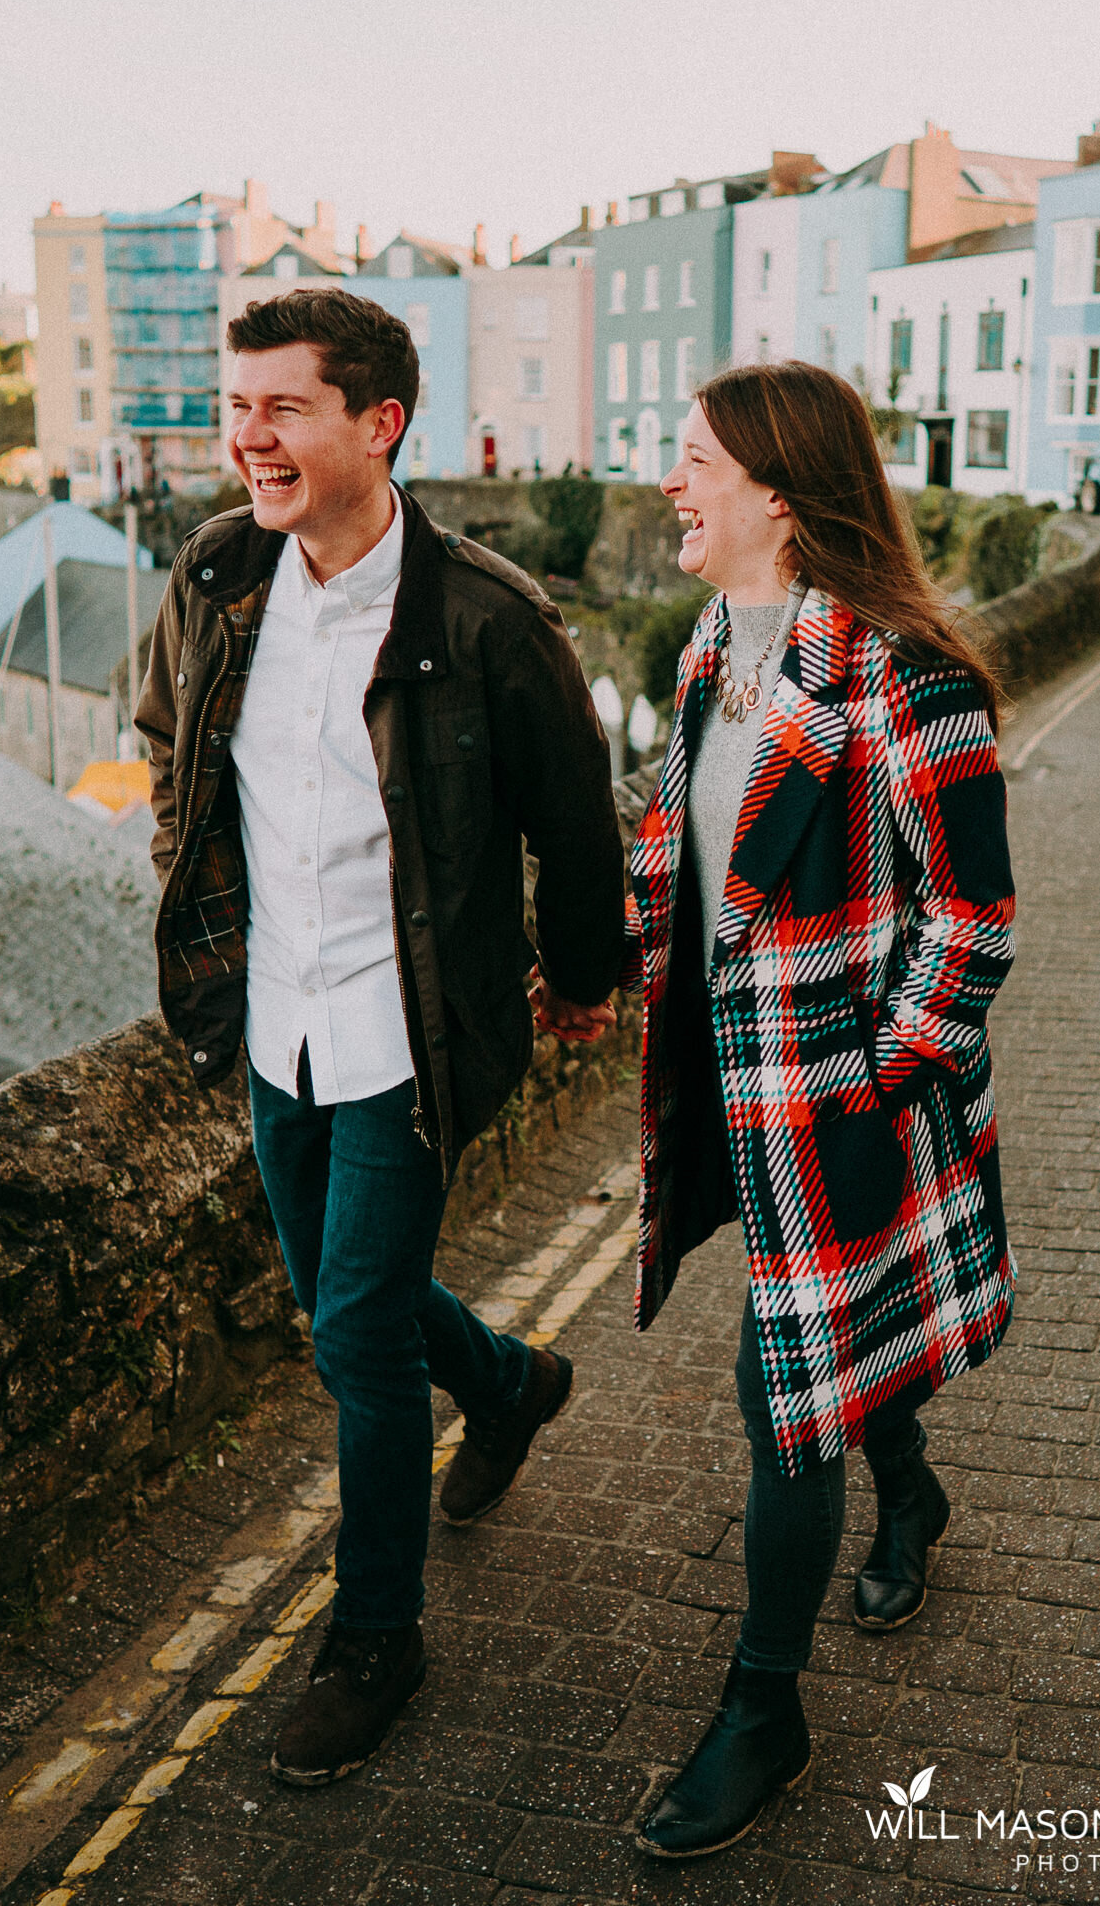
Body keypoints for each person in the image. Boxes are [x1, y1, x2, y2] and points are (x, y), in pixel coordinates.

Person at [136, 288, 621, 1787]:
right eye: (239, 406)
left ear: (377, 424)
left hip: (414, 1028)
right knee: (352, 1297)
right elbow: (162, 731)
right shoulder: (220, 575)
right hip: (270, 1013)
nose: (249, 437)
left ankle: (378, 1635)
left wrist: (583, 976)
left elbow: (574, 821)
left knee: (350, 1330)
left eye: (284, 408)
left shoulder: (487, 617)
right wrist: (184, 871)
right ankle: (509, 1382)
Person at [623, 361, 1016, 1859]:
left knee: (781, 1396)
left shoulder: (909, 676)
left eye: (692, 458)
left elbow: (971, 918)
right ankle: (907, 1497)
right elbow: (699, 857)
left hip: (841, 1097)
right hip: (726, 1082)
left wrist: (877, 1083)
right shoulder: (710, 643)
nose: (672, 480)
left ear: (776, 493)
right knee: (837, 1355)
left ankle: (762, 1710)